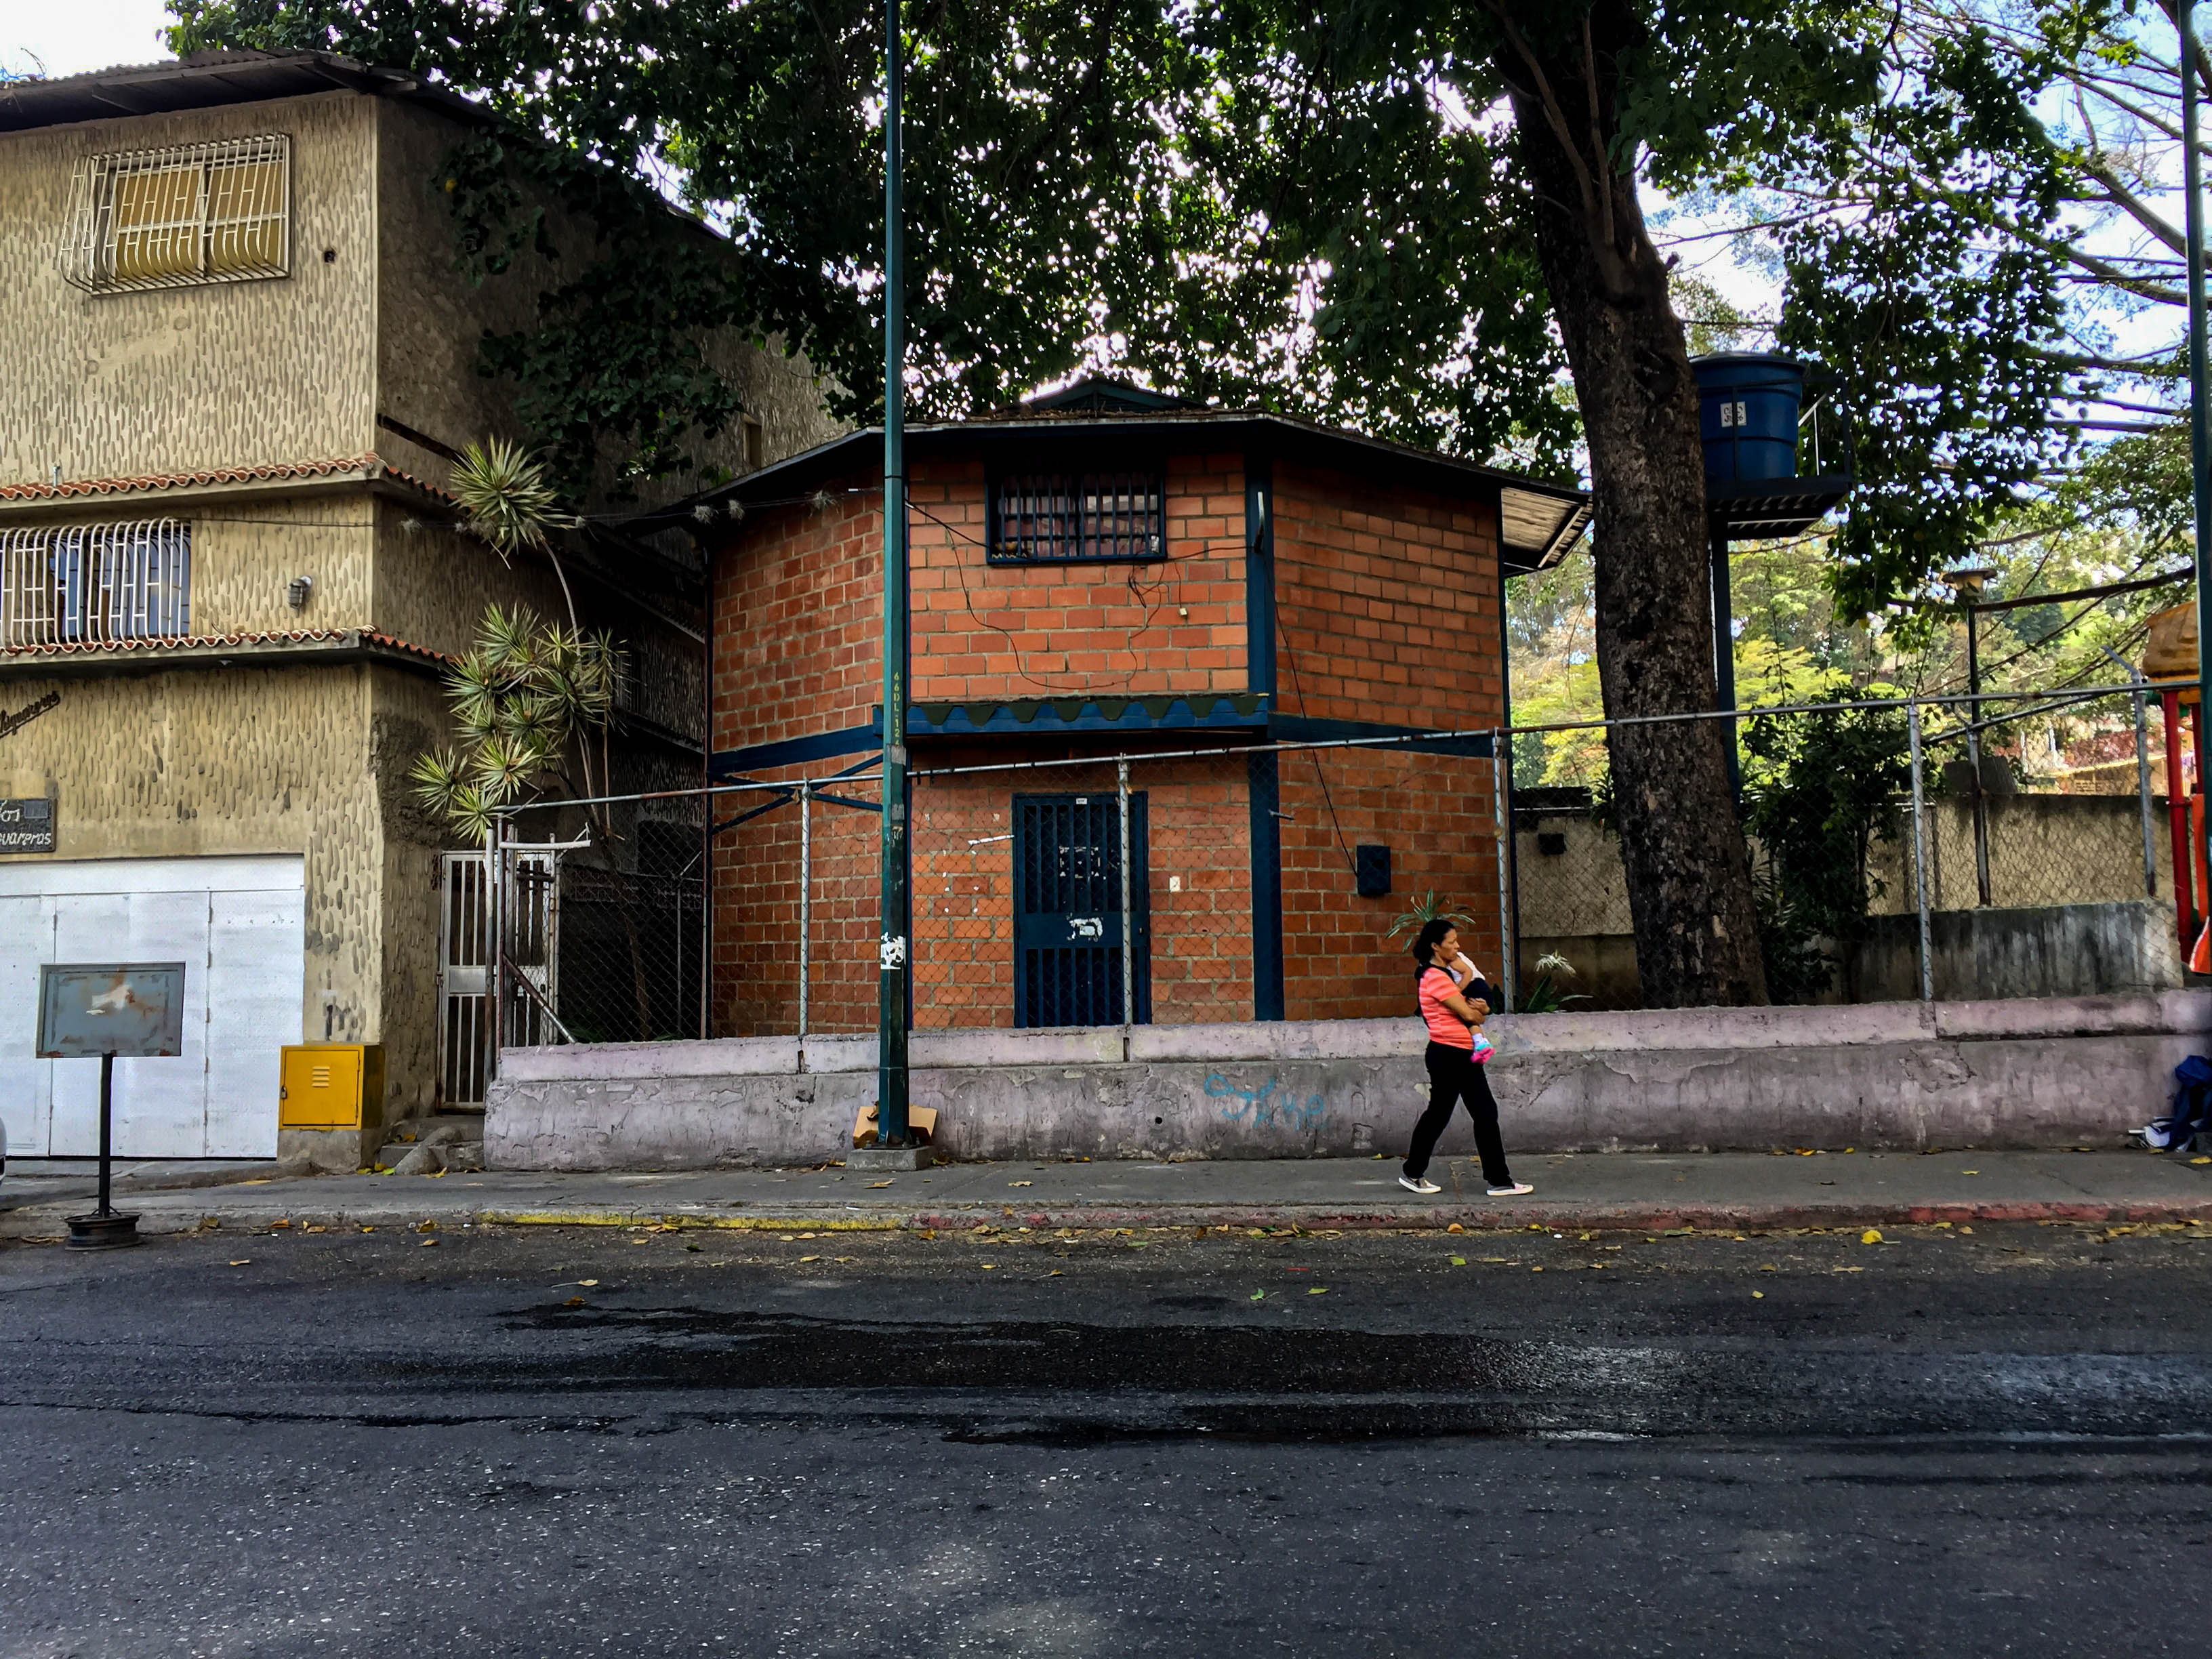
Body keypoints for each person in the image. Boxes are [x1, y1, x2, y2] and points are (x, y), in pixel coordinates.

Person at [1400, 917, 1531, 1198]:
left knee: (1476, 1113)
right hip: (1449, 1055)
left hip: (1458, 1054)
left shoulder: (1444, 975)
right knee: (1448, 1115)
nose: (1458, 947)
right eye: (1452, 943)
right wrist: (1478, 1010)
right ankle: (1416, 1172)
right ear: (1436, 947)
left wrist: (1480, 1009)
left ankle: (1498, 1181)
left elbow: (1476, 1012)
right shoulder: (1434, 977)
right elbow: (1470, 1014)